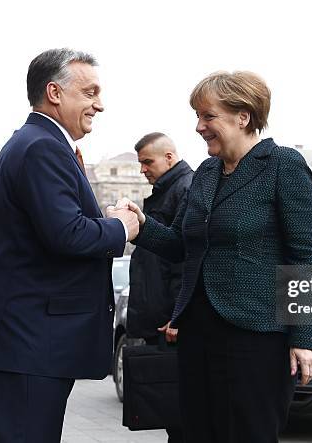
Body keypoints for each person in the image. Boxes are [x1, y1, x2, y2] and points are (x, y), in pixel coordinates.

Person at [123, 71, 312, 443]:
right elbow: (183, 245)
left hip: (256, 336)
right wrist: (141, 225)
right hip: (199, 332)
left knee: (248, 433)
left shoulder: (283, 165)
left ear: (242, 116)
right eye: (198, 117)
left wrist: (308, 338)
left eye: (207, 116)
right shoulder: (206, 172)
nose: (199, 126)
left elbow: (307, 258)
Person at [0, 48, 139, 443]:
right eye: (90, 92)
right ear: (55, 92)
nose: (100, 104)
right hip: (26, 343)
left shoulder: (37, 143)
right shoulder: (42, 146)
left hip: (25, 343)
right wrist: (119, 228)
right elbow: (66, 235)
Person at [126, 132, 193, 442]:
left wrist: (180, 314)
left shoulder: (185, 188)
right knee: (173, 415)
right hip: (162, 318)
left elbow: (185, 258)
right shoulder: (167, 191)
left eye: (147, 162)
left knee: (181, 416)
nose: (143, 169)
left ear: (169, 157)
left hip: (171, 322)